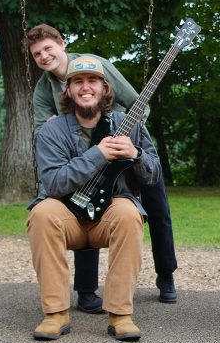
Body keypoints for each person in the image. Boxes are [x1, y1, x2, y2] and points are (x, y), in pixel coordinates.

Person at [26, 24, 178, 310]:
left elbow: (138, 103)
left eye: (48, 48)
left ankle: (165, 274)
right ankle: (86, 291)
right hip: (85, 156)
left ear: (62, 44)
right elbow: (41, 128)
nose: (45, 56)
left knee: (155, 206)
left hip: (126, 143)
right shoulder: (43, 90)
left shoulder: (96, 67)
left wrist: (130, 137)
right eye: (37, 54)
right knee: (82, 206)